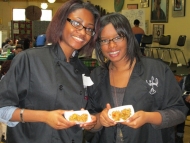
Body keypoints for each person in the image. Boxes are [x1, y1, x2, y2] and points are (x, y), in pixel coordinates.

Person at [0, 0, 100, 143]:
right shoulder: (29, 59)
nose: (83, 32)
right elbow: (2, 109)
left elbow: (80, 113)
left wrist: (86, 121)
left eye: (89, 28)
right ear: (60, 22)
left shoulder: (83, 71)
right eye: (77, 23)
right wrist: (45, 117)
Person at [86, 13, 188, 143]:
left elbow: (179, 112)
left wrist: (148, 117)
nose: (111, 46)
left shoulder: (157, 70)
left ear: (128, 37)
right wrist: (100, 118)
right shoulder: (96, 76)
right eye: (104, 40)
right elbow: (90, 123)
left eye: (117, 37)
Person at [176, 74, 190, 143]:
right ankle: (179, 136)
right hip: (186, 104)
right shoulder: (185, 79)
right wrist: (186, 96)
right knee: (181, 112)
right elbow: (178, 92)